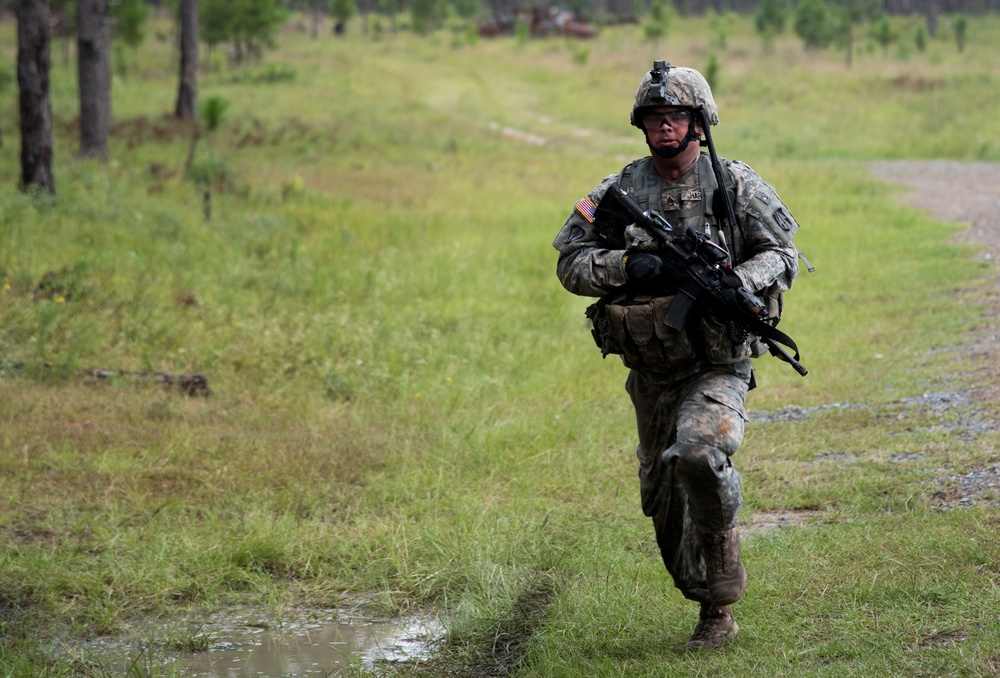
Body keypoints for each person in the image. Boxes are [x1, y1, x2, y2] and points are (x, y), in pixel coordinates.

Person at [552, 61, 802, 650]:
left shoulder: (734, 184)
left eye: (678, 117)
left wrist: (740, 281)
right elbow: (569, 261)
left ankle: (720, 603)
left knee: (698, 453)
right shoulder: (620, 192)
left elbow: (785, 253)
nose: (666, 128)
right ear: (642, 126)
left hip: (717, 361)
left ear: (700, 122)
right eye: (656, 118)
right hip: (652, 369)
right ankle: (702, 592)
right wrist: (625, 265)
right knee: (663, 503)